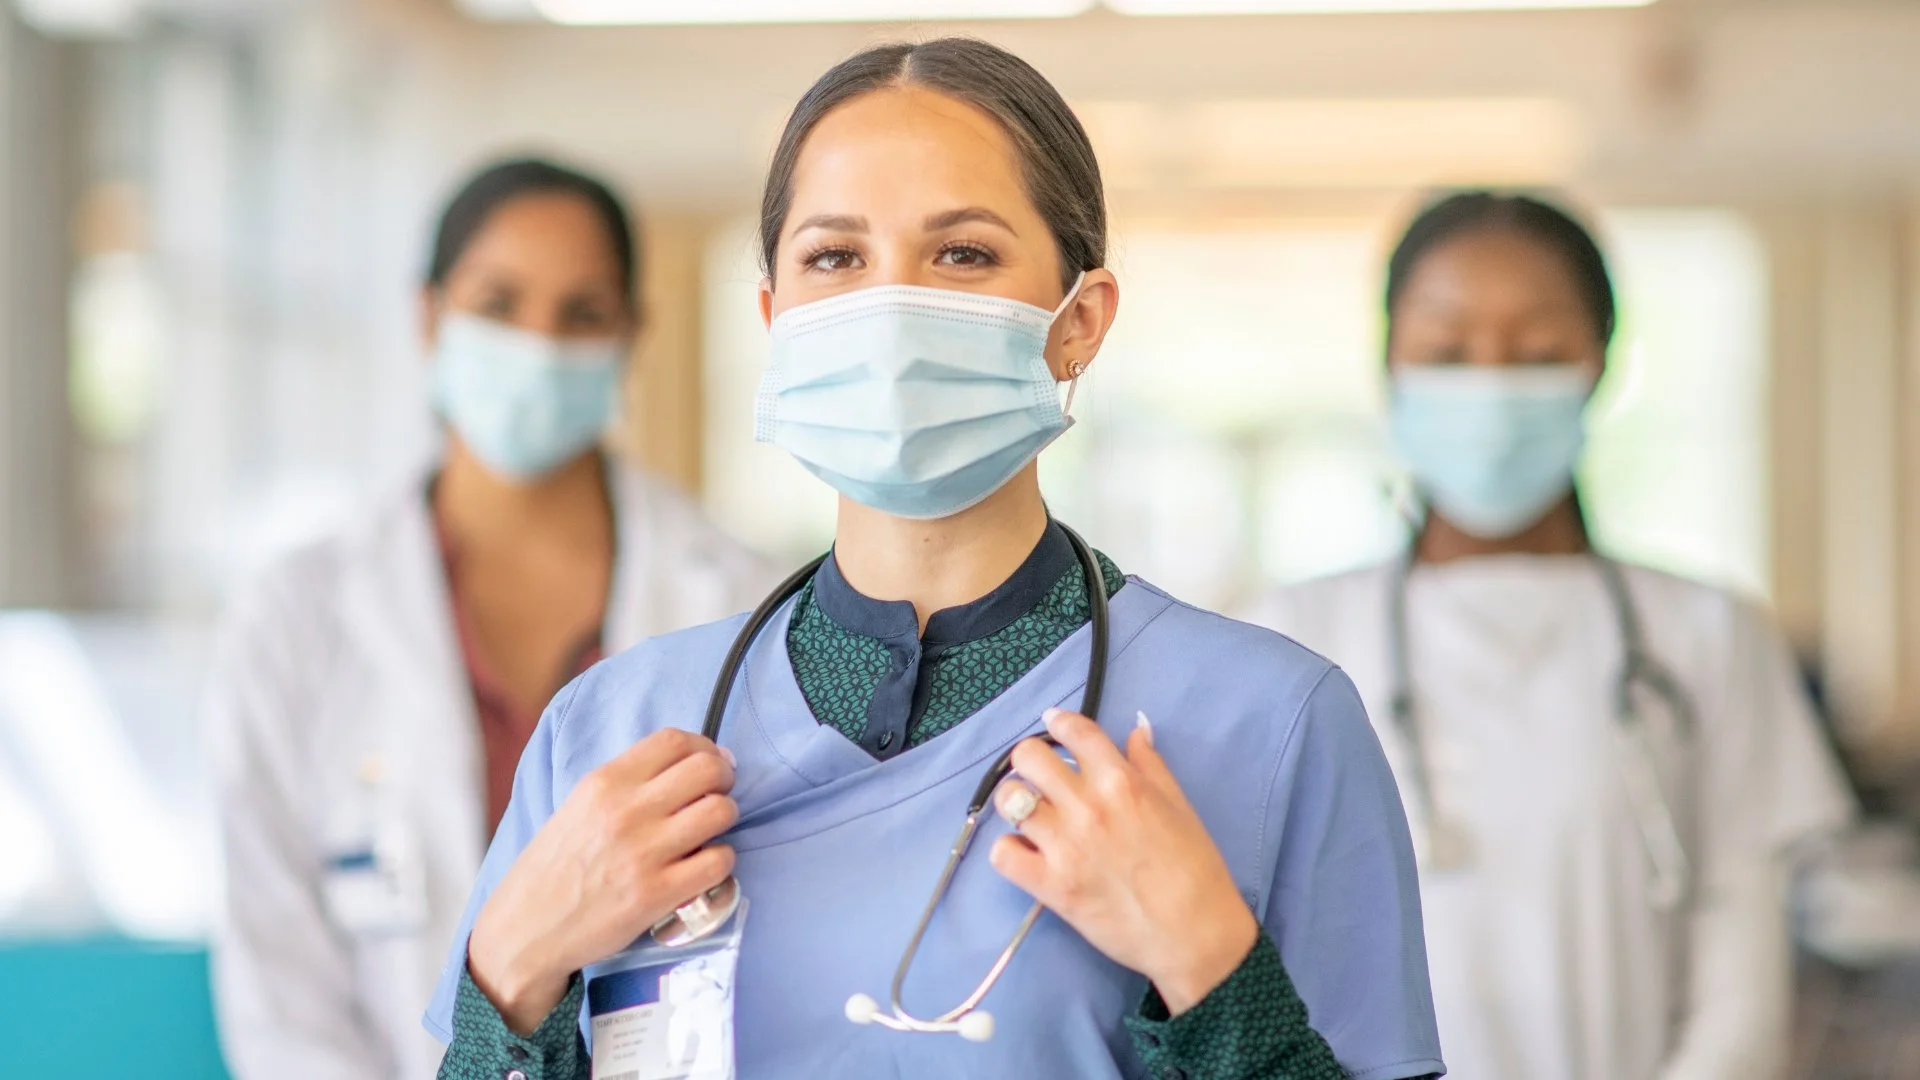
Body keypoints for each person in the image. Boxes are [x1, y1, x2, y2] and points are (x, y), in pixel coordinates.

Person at [424, 39, 1445, 1080]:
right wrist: (510, 969)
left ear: (1079, 322)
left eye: (961, 253)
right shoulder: (608, 733)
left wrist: (1212, 971)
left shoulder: (1269, 725)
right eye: (835, 257)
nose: (889, 310)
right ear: (776, 318)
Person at [1243, 192, 1856, 1080]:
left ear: (1600, 362)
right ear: (1389, 366)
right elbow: (1244, 958)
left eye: (1536, 353)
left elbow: (1742, 993)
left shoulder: (1709, 633)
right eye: (1447, 352)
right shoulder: (1288, 637)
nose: (1490, 386)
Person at [206, 157, 779, 1080]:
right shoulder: (297, 619)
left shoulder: (741, 602)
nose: (538, 345)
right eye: (498, 303)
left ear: (631, 334)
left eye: (582, 312)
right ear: (429, 317)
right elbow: (279, 988)